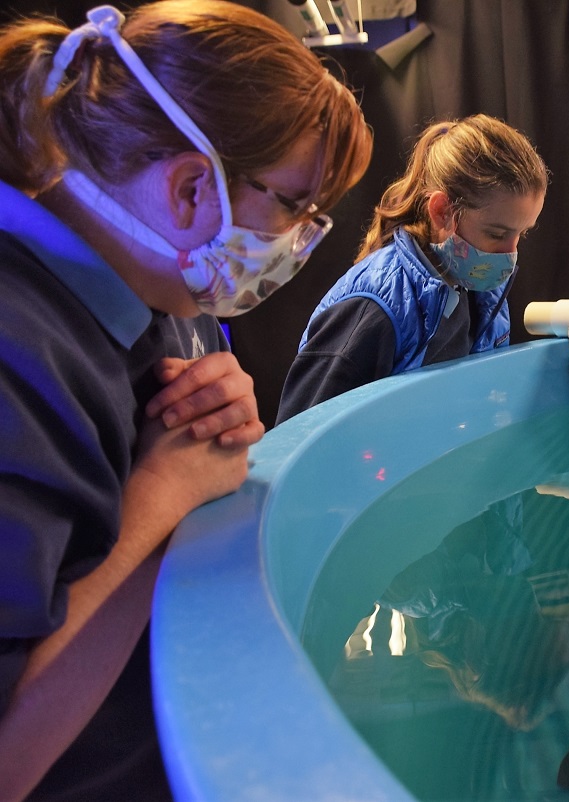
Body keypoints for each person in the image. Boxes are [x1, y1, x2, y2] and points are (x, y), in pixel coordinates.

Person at [0, 2, 372, 798]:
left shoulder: (168, 297)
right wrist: (164, 495)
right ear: (191, 185)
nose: (300, 238)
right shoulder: (18, 350)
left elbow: (198, 440)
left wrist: (223, 417)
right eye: (292, 205)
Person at [276, 114, 548, 423]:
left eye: (521, 234)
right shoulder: (371, 309)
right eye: (497, 234)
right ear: (442, 211)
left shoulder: (481, 289)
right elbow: (299, 437)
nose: (511, 254)